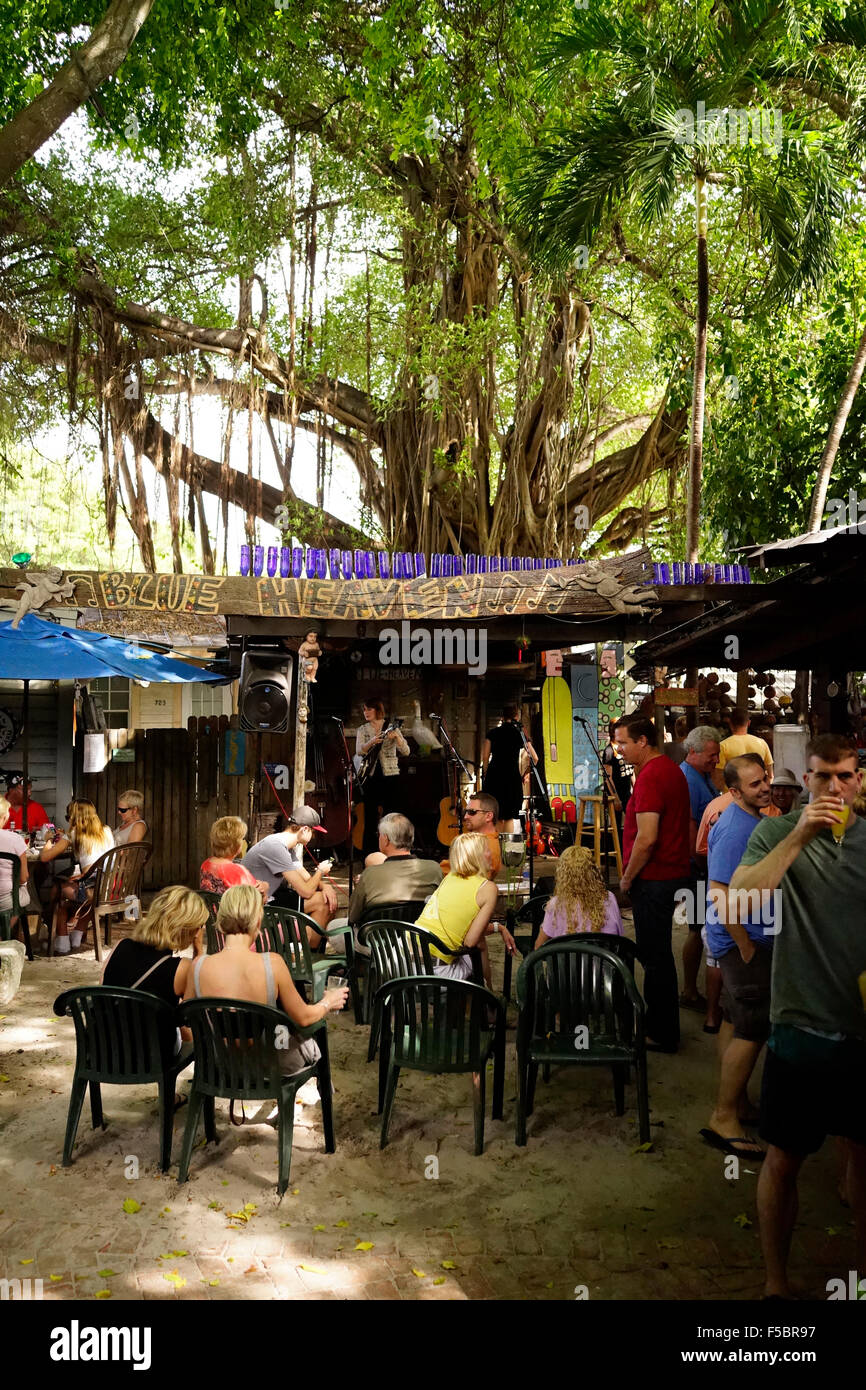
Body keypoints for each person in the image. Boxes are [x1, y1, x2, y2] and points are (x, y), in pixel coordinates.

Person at [729, 735, 866, 1299]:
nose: (834, 787)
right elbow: (736, 902)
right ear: (804, 781)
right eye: (821, 776)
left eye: (845, 777)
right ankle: (776, 1283)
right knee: (784, 1159)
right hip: (797, 1026)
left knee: (861, 1156)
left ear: (860, 782)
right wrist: (803, 832)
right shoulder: (775, 832)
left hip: (860, 1032)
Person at [184, 884, 348, 1077]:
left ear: (220, 920)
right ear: (258, 920)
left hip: (219, 1065)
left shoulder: (198, 966)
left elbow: (188, 1022)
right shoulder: (272, 964)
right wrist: (328, 1001)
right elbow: (304, 1018)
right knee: (308, 1040)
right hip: (267, 1066)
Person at [700, 756, 774, 1160]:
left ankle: (737, 1102)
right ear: (734, 791)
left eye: (764, 779)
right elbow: (718, 892)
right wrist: (745, 945)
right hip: (741, 940)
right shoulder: (732, 829)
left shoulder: (749, 819)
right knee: (753, 1027)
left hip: (746, 938)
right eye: (754, 784)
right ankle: (724, 1115)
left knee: (733, 1018)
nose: (764, 787)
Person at [615, 715, 690, 1053]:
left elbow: (646, 839)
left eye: (623, 742)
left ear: (642, 741)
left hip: (655, 877)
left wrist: (628, 878)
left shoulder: (652, 776)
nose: (619, 750)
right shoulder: (669, 770)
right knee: (658, 954)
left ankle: (660, 1032)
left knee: (654, 956)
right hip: (670, 873)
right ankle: (661, 1025)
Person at [101, 886, 208, 1067]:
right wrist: (198, 951)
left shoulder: (121, 946)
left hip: (107, 1051)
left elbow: (104, 993)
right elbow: (193, 1018)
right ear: (188, 929)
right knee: (198, 1032)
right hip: (153, 1057)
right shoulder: (183, 968)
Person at [415, 832, 516, 987]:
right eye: (487, 850)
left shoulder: (449, 878)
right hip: (433, 971)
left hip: (401, 961)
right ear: (476, 856)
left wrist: (499, 927)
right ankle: (487, 997)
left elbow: (458, 925)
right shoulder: (488, 888)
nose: (492, 854)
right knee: (479, 946)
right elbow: (470, 941)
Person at [241, 807, 337, 945]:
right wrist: (320, 872)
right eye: (313, 832)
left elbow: (304, 876)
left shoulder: (284, 845)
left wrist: (325, 886)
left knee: (325, 899)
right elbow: (306, 891)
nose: (313, 837)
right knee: (323, 902)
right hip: (256, 905)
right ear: (304, 829)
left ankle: (310, 951)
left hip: (268, 897)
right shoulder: (275, 847)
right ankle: (310, 954)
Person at [679, 726, 722, 1011]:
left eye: (717, 754)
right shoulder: (687, 779)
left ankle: (692, 989)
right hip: (698, 868)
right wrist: (702, 864)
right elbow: (691, 828)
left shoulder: (703, 776)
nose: (716, 759)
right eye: (711, 754)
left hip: (706, 866)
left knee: (700, 928)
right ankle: (690, 990)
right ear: (692, 752)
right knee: (696, 929)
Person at [39, 799, 114, 954]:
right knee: (83, 887)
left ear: (75, 817)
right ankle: (76, 937)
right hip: (109, 888)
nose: (68, 821)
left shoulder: (74, 834)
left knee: (57, 890)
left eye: (68, 817)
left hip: (89, 891)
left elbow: (45, 857)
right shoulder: (106, 830)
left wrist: (49, 839)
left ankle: (62, 942)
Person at [347, 814, 443, 927]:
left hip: (376, 941)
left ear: (386, 839)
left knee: (333, 926)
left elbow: (353, 916)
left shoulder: (370, 874)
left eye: (379, 835)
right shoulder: (434, 869)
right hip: (420, 938)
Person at [533, 845, 624, 946]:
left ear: (562, 874)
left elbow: (538, 947)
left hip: (567, 961)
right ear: (593, 870)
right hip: (604, 960)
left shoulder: (556, 904)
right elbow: (619, 938)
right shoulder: (609, 898)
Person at [356, 699, 410, 858]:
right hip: (371, 776)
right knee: (370, 817)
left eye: (369, 709)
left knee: (392, 816)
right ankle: (369, 855)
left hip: (391, 775)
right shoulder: (362, 729)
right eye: (364, 709)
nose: (366, 712)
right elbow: (359, 750)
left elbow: (406, 751)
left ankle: (392, 854)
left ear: (378, 710)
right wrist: (372, 742)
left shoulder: (392, 727)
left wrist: (397, 738)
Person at [482, 705, 536, 833]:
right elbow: (535, 758)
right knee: (510, 817)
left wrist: (486, 773)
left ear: (502, 717)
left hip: (494, 778)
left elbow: (485, 757)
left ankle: (497, 849)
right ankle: (507, 849)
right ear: (516, 716)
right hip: (512, 778)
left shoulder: (492, 733)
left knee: (497, 816)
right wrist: (525, 773)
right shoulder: (519, 734)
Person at [201, 816, 268, 898]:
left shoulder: (205, 864)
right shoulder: (238, 871)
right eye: (242, 838)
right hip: (232, 911)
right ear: (236, 844)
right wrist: (265, 886)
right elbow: (257, 900)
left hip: (210, 910)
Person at [718, 708, 774, 778]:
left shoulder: (723, 746)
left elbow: (718, 777)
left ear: (730, 723)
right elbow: (770, 775)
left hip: (732, 788)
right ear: (749, 723)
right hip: (757, 788)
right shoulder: (762, 743)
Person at [457, 792, 502, 876]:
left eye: (471, 812)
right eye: (465, 812)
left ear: (488, 816)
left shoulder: (486, 848)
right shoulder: (479, 842)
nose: (465, 816)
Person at [0, 795, 30, 918]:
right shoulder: (15, 839)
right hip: (5, 899)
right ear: (4, 817)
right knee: (20, 894)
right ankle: (4, 935)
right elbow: (23, 878)